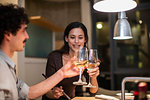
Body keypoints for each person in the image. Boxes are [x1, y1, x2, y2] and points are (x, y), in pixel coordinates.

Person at [0, 3, 81, 100]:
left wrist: (63, 72)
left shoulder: (7, 66)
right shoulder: (1, 68)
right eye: (23, 31)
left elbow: (27, 93)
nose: (27, 36)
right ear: (8, 34)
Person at [42, 22, 100, 100]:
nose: (76, 41)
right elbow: (46, 90)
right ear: (66, 38)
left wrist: (93, 77)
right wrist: (53, 93)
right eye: (72, 37)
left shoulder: (87, 59)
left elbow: (93, 92)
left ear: (85, 39)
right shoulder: (54, 57)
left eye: (80, 37)